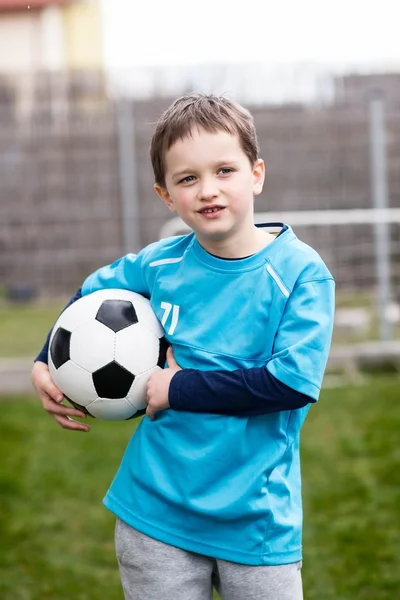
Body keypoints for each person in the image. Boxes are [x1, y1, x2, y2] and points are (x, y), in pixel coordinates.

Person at [31, 92, 335, 600]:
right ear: (166, 195)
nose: (208, 190)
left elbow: (289, 382)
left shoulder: (301, 274)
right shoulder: (161, 262)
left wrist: (179, 388)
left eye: (225, 170)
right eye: (187, 178)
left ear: (256, 173)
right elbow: (89, 295)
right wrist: (45, 360)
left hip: (255, 519)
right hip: (154, 512)